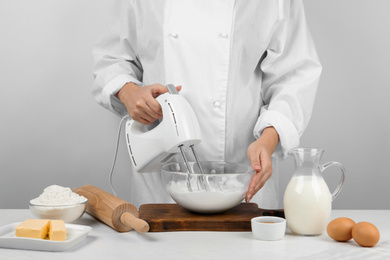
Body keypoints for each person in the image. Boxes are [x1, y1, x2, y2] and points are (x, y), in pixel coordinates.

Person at [92, 0, 322, 209]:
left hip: (243, 175)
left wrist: (268, 139)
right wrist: (128, 91)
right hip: (161, 185)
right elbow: (111, 59)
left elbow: (294, 75)